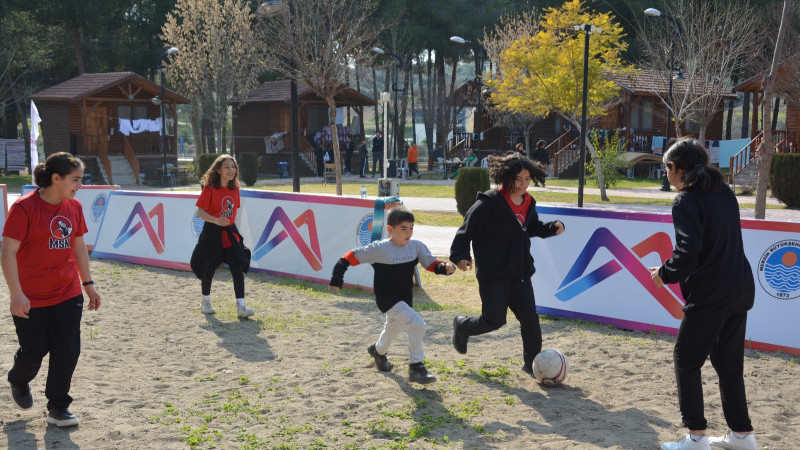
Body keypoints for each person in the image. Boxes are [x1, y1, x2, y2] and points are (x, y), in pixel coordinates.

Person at [651, 139, 757, 450]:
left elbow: (689, 252)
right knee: (728, 363)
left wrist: (664, 274)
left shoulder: (686, 200)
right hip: (739, 288)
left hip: (712, 294)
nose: (666, 175)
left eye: (666, 169)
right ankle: (743, 436)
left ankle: (697, 438)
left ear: (676, 168)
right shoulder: (723, 191)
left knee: (686, 360)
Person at [2, 152, 101, 427]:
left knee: (67, 349)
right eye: (76, 180)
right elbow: (8, 252)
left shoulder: (74, 207)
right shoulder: (23, 208)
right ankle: (18, 379)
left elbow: (79, 247)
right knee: (34, 352)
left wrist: (88, 285)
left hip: (67, 293)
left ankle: (58, 407)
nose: (80, 186)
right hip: (30, 297)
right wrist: (15, 293)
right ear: (56, 178)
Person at [450, 151, 565, 376]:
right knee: (494, 320)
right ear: (506, 178)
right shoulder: (489, 203)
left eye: (527, 180)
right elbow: (466, 230)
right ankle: (463, 326)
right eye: (518, 179)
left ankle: (533, 364)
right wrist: (460, 255)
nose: (523, 185)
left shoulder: (529, 202)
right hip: (494, 273)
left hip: (520, 271)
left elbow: (530, 227)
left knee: (530, 320)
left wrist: (551, 228)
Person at [328, 205, 456, 384]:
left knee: (394, 327)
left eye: (411, 228)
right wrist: (337, 278)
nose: (408, 233)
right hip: (386, 299)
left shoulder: (416, 247)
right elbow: (347, 258)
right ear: (390, 230)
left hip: (405, 299)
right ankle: (416, 367)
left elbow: (431, 264)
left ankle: (378, 351)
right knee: (417, 323)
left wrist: (445, 267)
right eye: (403, 229)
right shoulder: (378, 249)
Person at [190, 154, 255, 320]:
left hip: (229, 231)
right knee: (209, 267)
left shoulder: (235, 189)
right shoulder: (210, 188)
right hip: (212, 231)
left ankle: (241, 306)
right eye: (227, 167)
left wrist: (227, 224)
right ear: (218, 170)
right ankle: (205, 301)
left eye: (233, 167)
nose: (231, 170)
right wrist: (216, 220)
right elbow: (200, 212)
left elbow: (233, 212)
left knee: (237, 267)